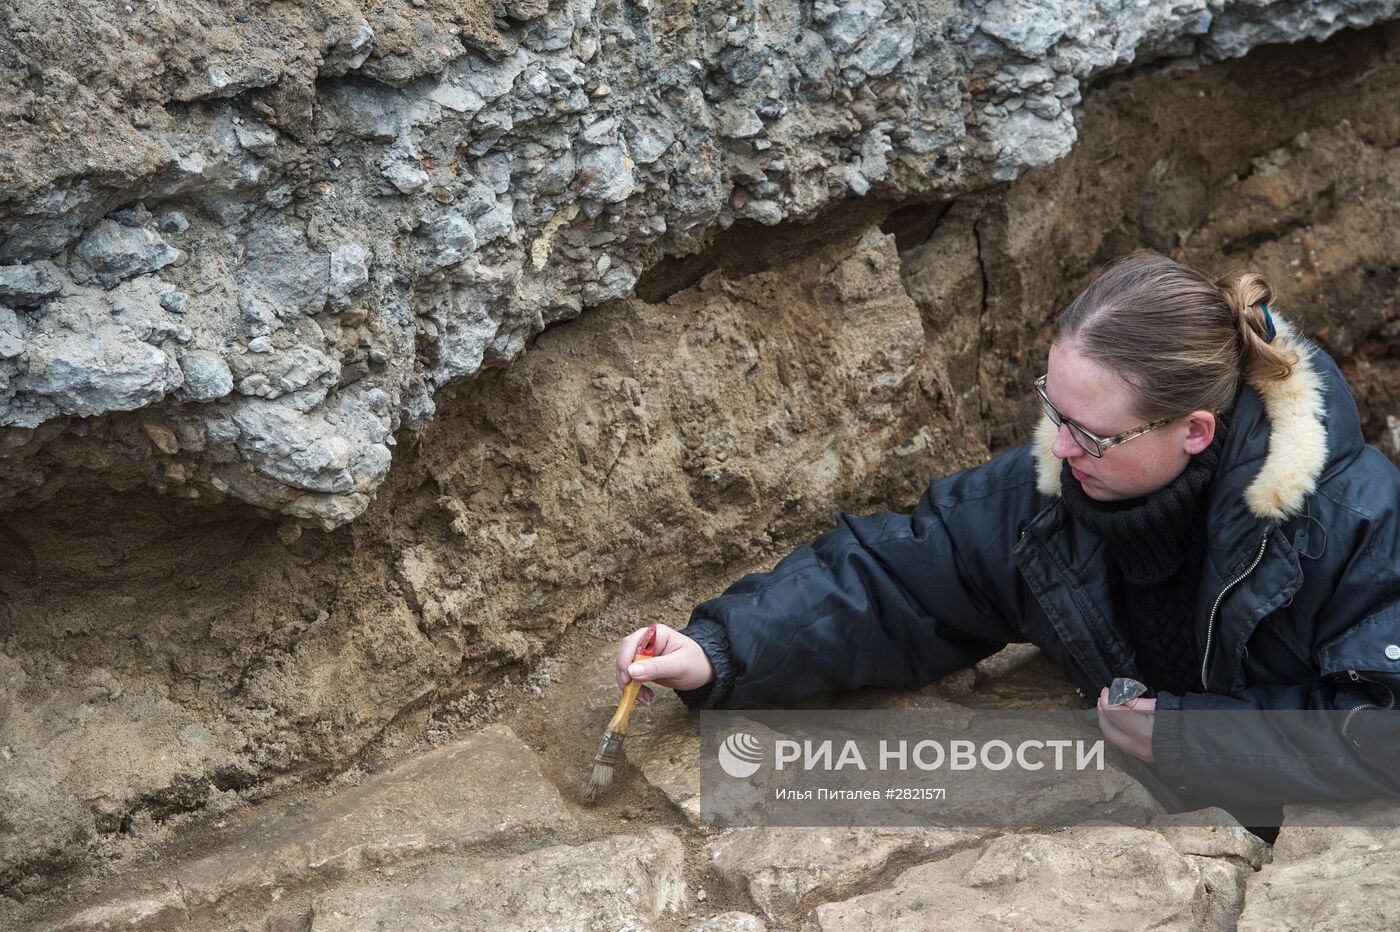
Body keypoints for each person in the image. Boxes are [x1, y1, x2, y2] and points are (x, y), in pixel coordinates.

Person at [613, 250, 1400, 810]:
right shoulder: (1055, 488)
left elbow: (1383, 731)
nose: (1057, 447)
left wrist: (1193, 740)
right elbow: (896, 578)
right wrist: (717, 650)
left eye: (1089, 432)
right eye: (1053, 409)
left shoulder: (1351, 520)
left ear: (1194, 432)